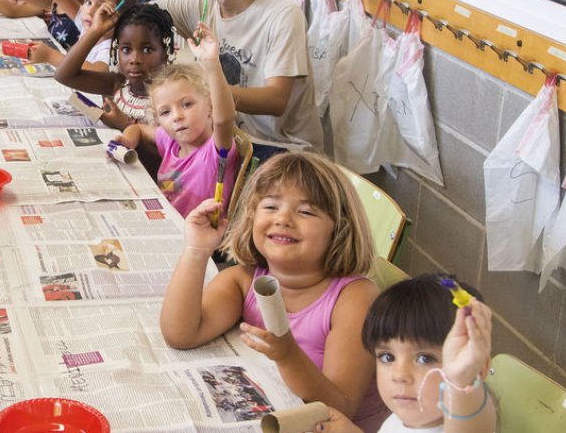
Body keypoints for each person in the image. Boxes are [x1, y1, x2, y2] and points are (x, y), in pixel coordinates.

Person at [160, 151, 386, 431]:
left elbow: (338, 409)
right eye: (270, 207)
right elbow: (181, 334)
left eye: (305, 211)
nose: (283, 219)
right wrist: (197, 250)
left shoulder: (355, 299)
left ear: (339, 230)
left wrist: (287, 354)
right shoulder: (242, 281)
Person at [154, 0, 322, 158]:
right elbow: (136, 14)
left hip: (280, 151)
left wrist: (204, 91)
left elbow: (276, 100)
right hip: (228, 138)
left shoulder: (283, 14)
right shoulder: (201, 3)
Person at [315, 276, 497, 433]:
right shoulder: (401, 420)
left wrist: (462, 382)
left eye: (425, 358)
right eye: (387, 357)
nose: (399, 374)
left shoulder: (458, 424)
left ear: (478, 370)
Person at [112, 24, 239, 218]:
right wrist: (128, 140)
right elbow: (138, 129)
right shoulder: (172, 140)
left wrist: (212, 64)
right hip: (164, 223)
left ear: (211, 107)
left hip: (198, 240)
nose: (177, 116)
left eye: (187, 104)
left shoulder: (214, 153)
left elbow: (224, 120)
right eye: (165, 113)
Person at [55, 3, 176, 130]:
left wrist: (125, 126)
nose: (134, 60)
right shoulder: (119, 83)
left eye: (147, 50)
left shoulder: (170, 99)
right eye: (126, 49)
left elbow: (169, 147)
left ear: (166, 53)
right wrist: (96, 30)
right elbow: (63, 75)